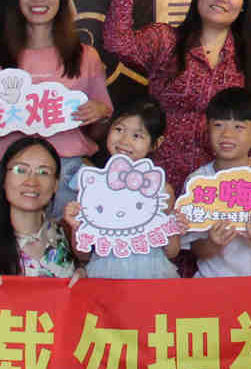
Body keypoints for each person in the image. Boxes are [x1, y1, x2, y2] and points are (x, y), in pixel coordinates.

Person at [106, 0, 251, 195]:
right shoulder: (165, 41)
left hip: (223, 187)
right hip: (160, 182)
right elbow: (117, 42)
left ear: (243, 4)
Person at [0, 0, 113, 209]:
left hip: (68, 173)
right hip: (14, 174)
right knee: (14, 236)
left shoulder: (86, 57)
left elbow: (100, 130)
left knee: (68, 236)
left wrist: (100, 112)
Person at [60, 95, 181, 280]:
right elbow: (83, 255)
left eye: (137, 135)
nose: (124, 141)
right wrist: (76, 226)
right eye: (119, 129)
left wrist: (172, 224)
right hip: (104, 272)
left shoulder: (161, 190)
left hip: (151, 274)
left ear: (156, 143)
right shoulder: (90, 184)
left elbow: (172, 252)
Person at [181, 86, 251, 279]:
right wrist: (213, 243)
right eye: (219, 125)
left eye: (239, 127)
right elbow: (196, 248)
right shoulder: (198, 182)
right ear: (208, 128)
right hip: (212, 282)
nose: (227, 135)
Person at [0, 135, 77, 287]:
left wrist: (86, 278)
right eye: (20, 170)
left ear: (55, 184)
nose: (31, 182)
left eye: (43, 172)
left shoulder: (70, 238)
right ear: (4, 179)